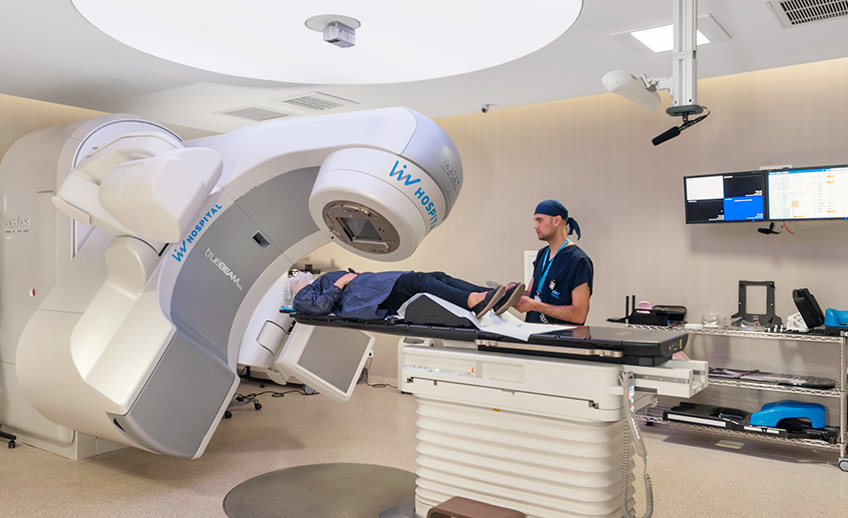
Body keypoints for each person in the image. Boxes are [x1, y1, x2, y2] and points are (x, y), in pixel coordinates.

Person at [292, 270, 526, 320]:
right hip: (370, 298)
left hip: (376, 287)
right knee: (419, 282)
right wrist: (341, 282)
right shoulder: (302, 295)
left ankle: (489, 297)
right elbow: (319, 306)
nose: (303, 276)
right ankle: (474, 301)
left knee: (437, 277)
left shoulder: (318, 282)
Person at [513, 199, 593, 325]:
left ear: (556, 221)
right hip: (532, 333)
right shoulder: (542, 254)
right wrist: (512, 294)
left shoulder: (578, 261)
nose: (535, 226)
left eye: (540, 220)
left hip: (559, 337)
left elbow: (579, 315)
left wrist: (536, 306)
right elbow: (531, 294)